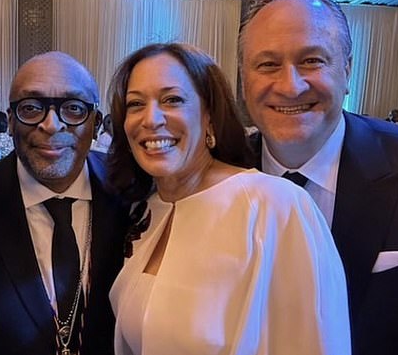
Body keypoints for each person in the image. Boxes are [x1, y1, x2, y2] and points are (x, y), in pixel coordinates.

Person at [107, 42, 350, 355]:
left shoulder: (275, 206)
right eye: (136, 104)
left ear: (209, 115)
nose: (151, 119)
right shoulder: (147, 210)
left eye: (172, 100)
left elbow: (316, 344)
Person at [238, 0, 398, 355]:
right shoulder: (215, 177)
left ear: (348, 68)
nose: (290, 85)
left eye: (312, 60)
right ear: (245, 77)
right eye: (267, 64)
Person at [0, 51, 130, 355]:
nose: (52, 125)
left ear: (95, 123)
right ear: (11, 122)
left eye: (73, 108)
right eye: (31, 108)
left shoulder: (131, 194)